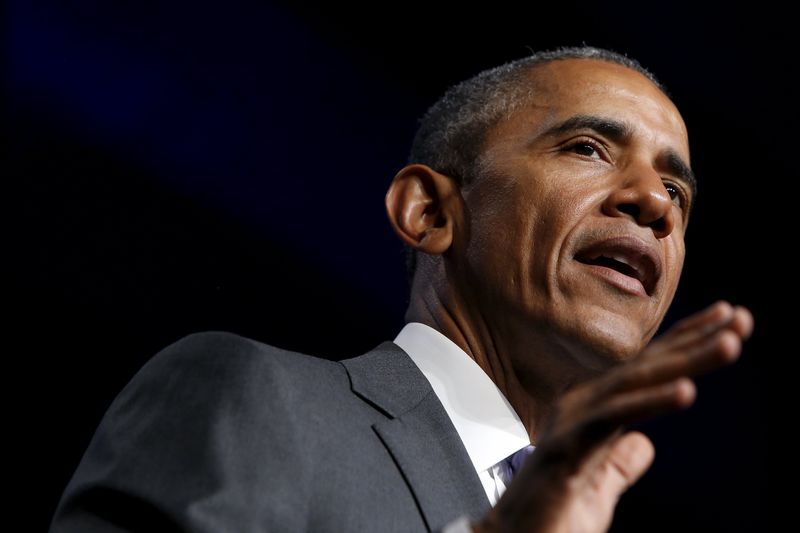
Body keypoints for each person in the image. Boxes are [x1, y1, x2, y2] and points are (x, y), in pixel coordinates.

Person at [49, 46, 754, 533]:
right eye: (588, 149)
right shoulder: (255, 397)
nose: (654, 203)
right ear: (431, 212)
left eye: (676, 192)